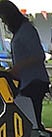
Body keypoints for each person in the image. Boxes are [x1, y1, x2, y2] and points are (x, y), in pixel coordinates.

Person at [0, 0, 49, 128]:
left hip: (35, 81)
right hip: (25, 81)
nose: (4, 22)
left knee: (32, 120)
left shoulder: (27, 30)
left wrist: (18, 67)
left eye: (4, 18)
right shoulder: (20, 31)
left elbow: (39, 55)